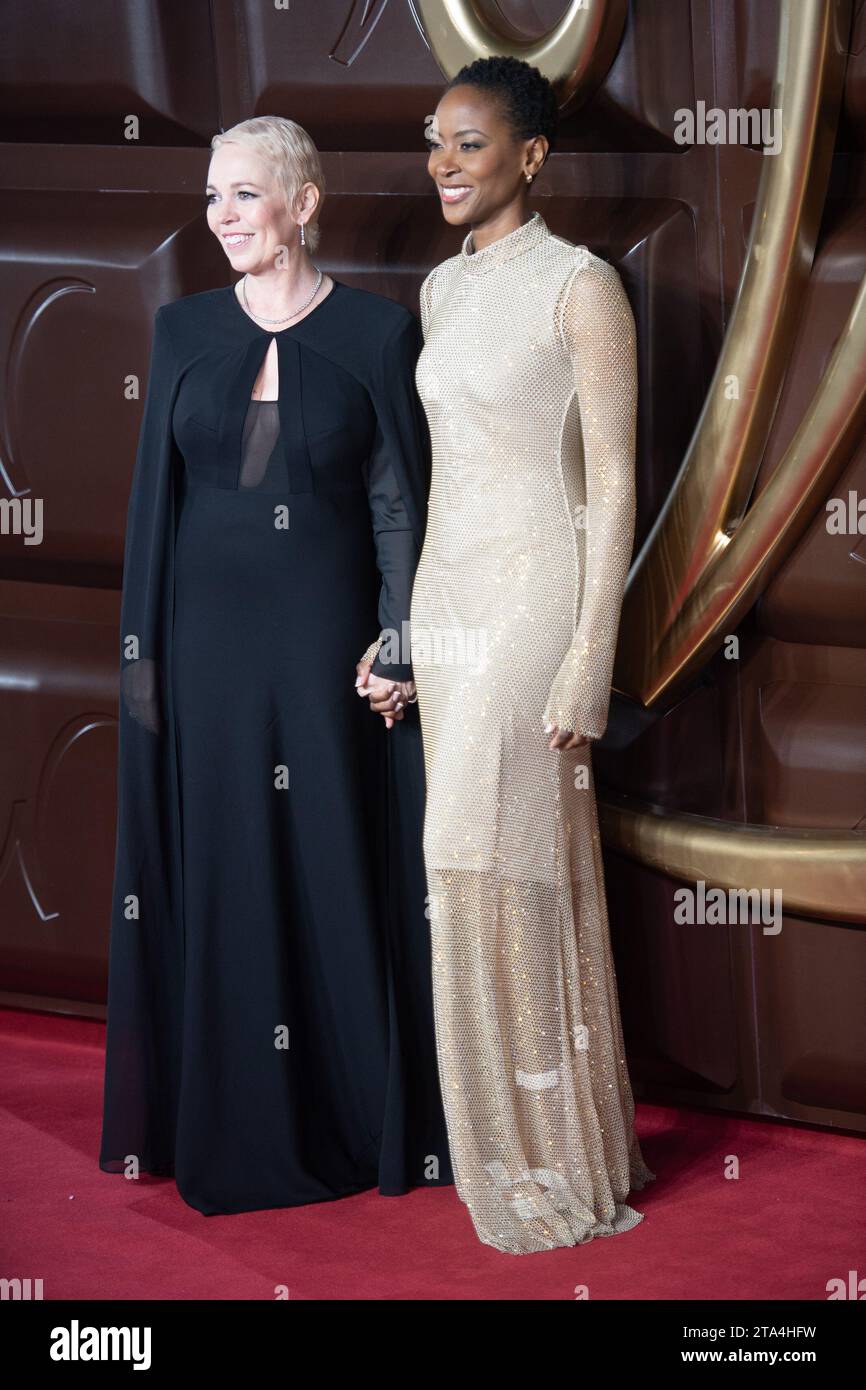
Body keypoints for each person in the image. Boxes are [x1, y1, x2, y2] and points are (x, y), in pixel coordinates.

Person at [99, 115, 452, 1213]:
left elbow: (399, 509)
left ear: (304, 202)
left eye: (244, 194)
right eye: (212, 196)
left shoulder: (375, 336)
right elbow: (155, 512)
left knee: (331, 852)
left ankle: (351, 1116)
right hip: (205, 650)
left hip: (323, 653)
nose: (221, 216)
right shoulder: (181, 330)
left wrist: (398, 638)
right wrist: (145, 668)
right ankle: (234, 1118)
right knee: (226, 863)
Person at [409, 57, 655, 1253]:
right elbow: (450, 476)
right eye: (434, 142)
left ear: (529, 156)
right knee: (465, 862)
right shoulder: (437, 292)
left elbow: (610, 491)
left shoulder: (581, 287)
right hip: (446, 605)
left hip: (535, 604)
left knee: (503, 860)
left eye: (467, 143)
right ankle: (509, 1143)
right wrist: (410, 639)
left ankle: (552, 1157)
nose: (443, 164)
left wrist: (586, 659)